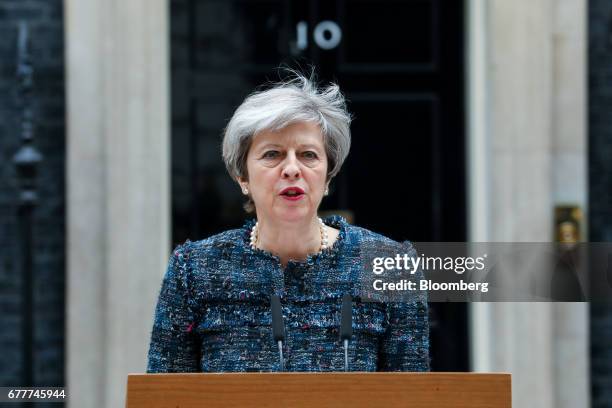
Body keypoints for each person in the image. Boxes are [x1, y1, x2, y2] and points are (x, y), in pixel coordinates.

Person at [146, 72, 430, 373]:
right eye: (273, 154)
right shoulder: (193, 270)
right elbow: (165, 395)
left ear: (328, 177)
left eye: (308, 155)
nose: (292, 168)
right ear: (242, 177)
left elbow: (411, 395)